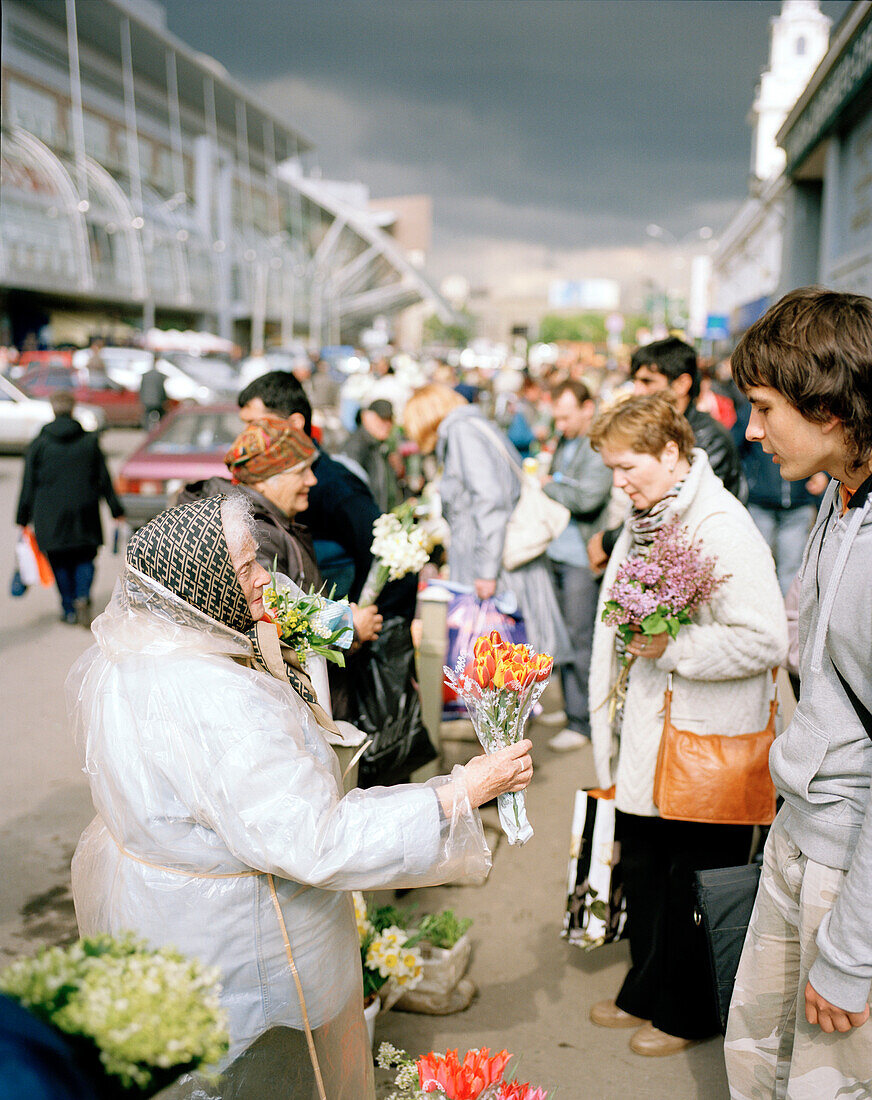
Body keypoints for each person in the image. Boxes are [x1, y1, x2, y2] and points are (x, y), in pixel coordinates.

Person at [69, 494, 533, 1100]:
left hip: (163, 927)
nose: (266, 577)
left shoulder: (132, 657)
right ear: (203, 585)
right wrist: (459, 792)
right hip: (243, 951)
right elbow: (316, 840)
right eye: (244, 568)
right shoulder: (217, 699)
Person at [586, 393, 786, 1057]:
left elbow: (764, 640)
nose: (617, 482)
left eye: (627, 466)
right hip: (653, 727)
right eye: (611, 469)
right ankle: (644, 990)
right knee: (646, 868)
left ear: (671, 453)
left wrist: (672, 650)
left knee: (692, 882)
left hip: (703, 738)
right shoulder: (651, 512)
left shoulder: (721, 525)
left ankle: (688, 1011)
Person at [724, 288, 872, 1098]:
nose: (750, 430)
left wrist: (852, 956)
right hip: (803, 830)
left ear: (829, 406)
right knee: (757, 1056)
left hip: (851, 865)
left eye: (763, 407)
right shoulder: (841, 494)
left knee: (824, 1084)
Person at [402, 383, 571, 664]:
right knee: (506, 668)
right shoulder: (473, 426)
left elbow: (489, 499)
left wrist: (485, 571)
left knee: (500, 666)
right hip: (497, 560)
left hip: (495, 568)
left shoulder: (461, 432)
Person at [587, 336, 747, 578]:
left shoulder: (707, 438)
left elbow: (678, 510)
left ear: (682, 383)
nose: (638, 390)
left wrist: (609, 540)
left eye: (648, 381)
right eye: (635, 381)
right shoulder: (656, 428)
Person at [541, 380, 613, 751]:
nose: (561, 423)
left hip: (581, 558)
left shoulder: (598, 443)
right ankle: (572, 707)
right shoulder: (566, 439)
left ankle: (583, 722)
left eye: (567, 416)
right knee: (564, 636)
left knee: (581, 638)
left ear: (589, 408)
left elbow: (587, 497)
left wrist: (550, 484)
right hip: (557, 552)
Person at [15, 391, 124, 626]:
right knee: (85, 556)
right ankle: (83, 596)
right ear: (73, 410)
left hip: (50, 515)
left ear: (53, 410)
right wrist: (116, 509)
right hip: (84, 511)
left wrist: (22, 516)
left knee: (59, 560)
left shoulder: (39, 444)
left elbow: (28, 484)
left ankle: (68, 607)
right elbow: (104, 479)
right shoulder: (89, 442)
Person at [340, 399, 402, 513]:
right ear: (366, 417)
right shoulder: (356, 446)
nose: (387, 425)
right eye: (382, 419)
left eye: (390, 420)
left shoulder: (380, 444)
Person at [139, 363, 168, 429]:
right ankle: (162, 427)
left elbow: (141, 389)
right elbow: (161, 389)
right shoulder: (159, 376)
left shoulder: (145, 375)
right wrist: (164, 399)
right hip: (157, 401)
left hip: (147, 400)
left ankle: (146, 427)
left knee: (147, 414)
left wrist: (141, 399)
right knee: (162, 414)